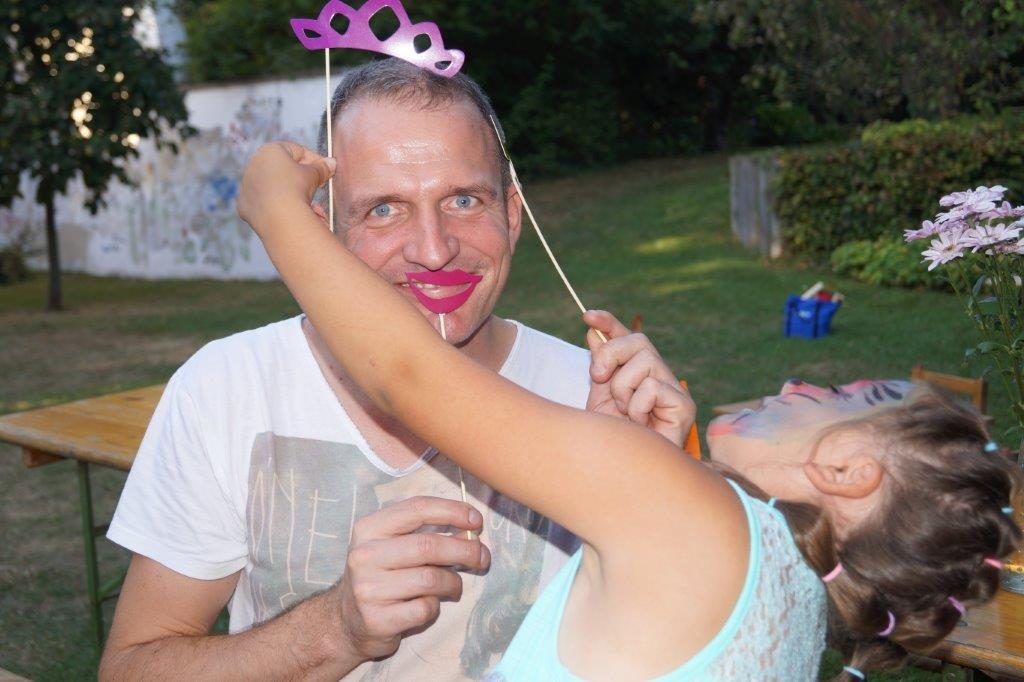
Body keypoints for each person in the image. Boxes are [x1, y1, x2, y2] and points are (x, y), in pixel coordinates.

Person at [235, 139, 1022, 680]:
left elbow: (408, 375)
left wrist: (277, 210)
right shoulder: (790, 593)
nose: (804, 387)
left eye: (851, 396)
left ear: (849, 470)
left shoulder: (688, 517)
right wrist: (641, 459)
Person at [99, 59, 690, 681]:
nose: (434, 250)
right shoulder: (226, 388)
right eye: (384, 209)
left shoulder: (596, 398)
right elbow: (131, 670)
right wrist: (335, 629)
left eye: (464, 200)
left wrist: (649, 488)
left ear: (513, 216)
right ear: (323, 229)